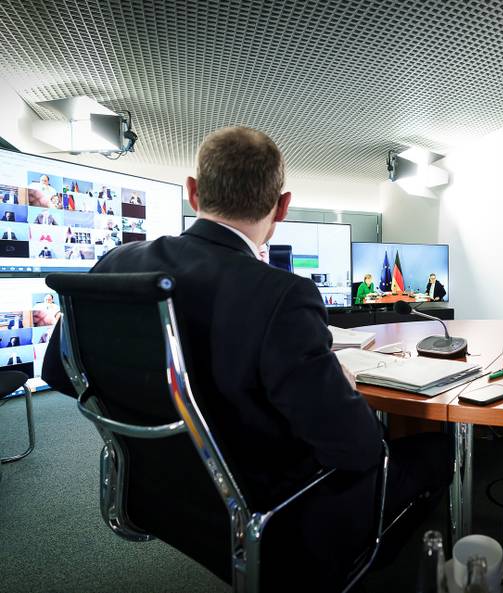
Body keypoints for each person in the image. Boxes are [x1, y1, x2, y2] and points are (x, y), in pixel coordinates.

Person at [41, 126, 451, 590]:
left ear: (193, 192)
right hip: (272, 512)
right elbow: (355, 448)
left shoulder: (117, 263)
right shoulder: (281, 296)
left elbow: (57, 371)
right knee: (434, 452)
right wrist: (341, 385)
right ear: (282, 206)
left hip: (157, 493)